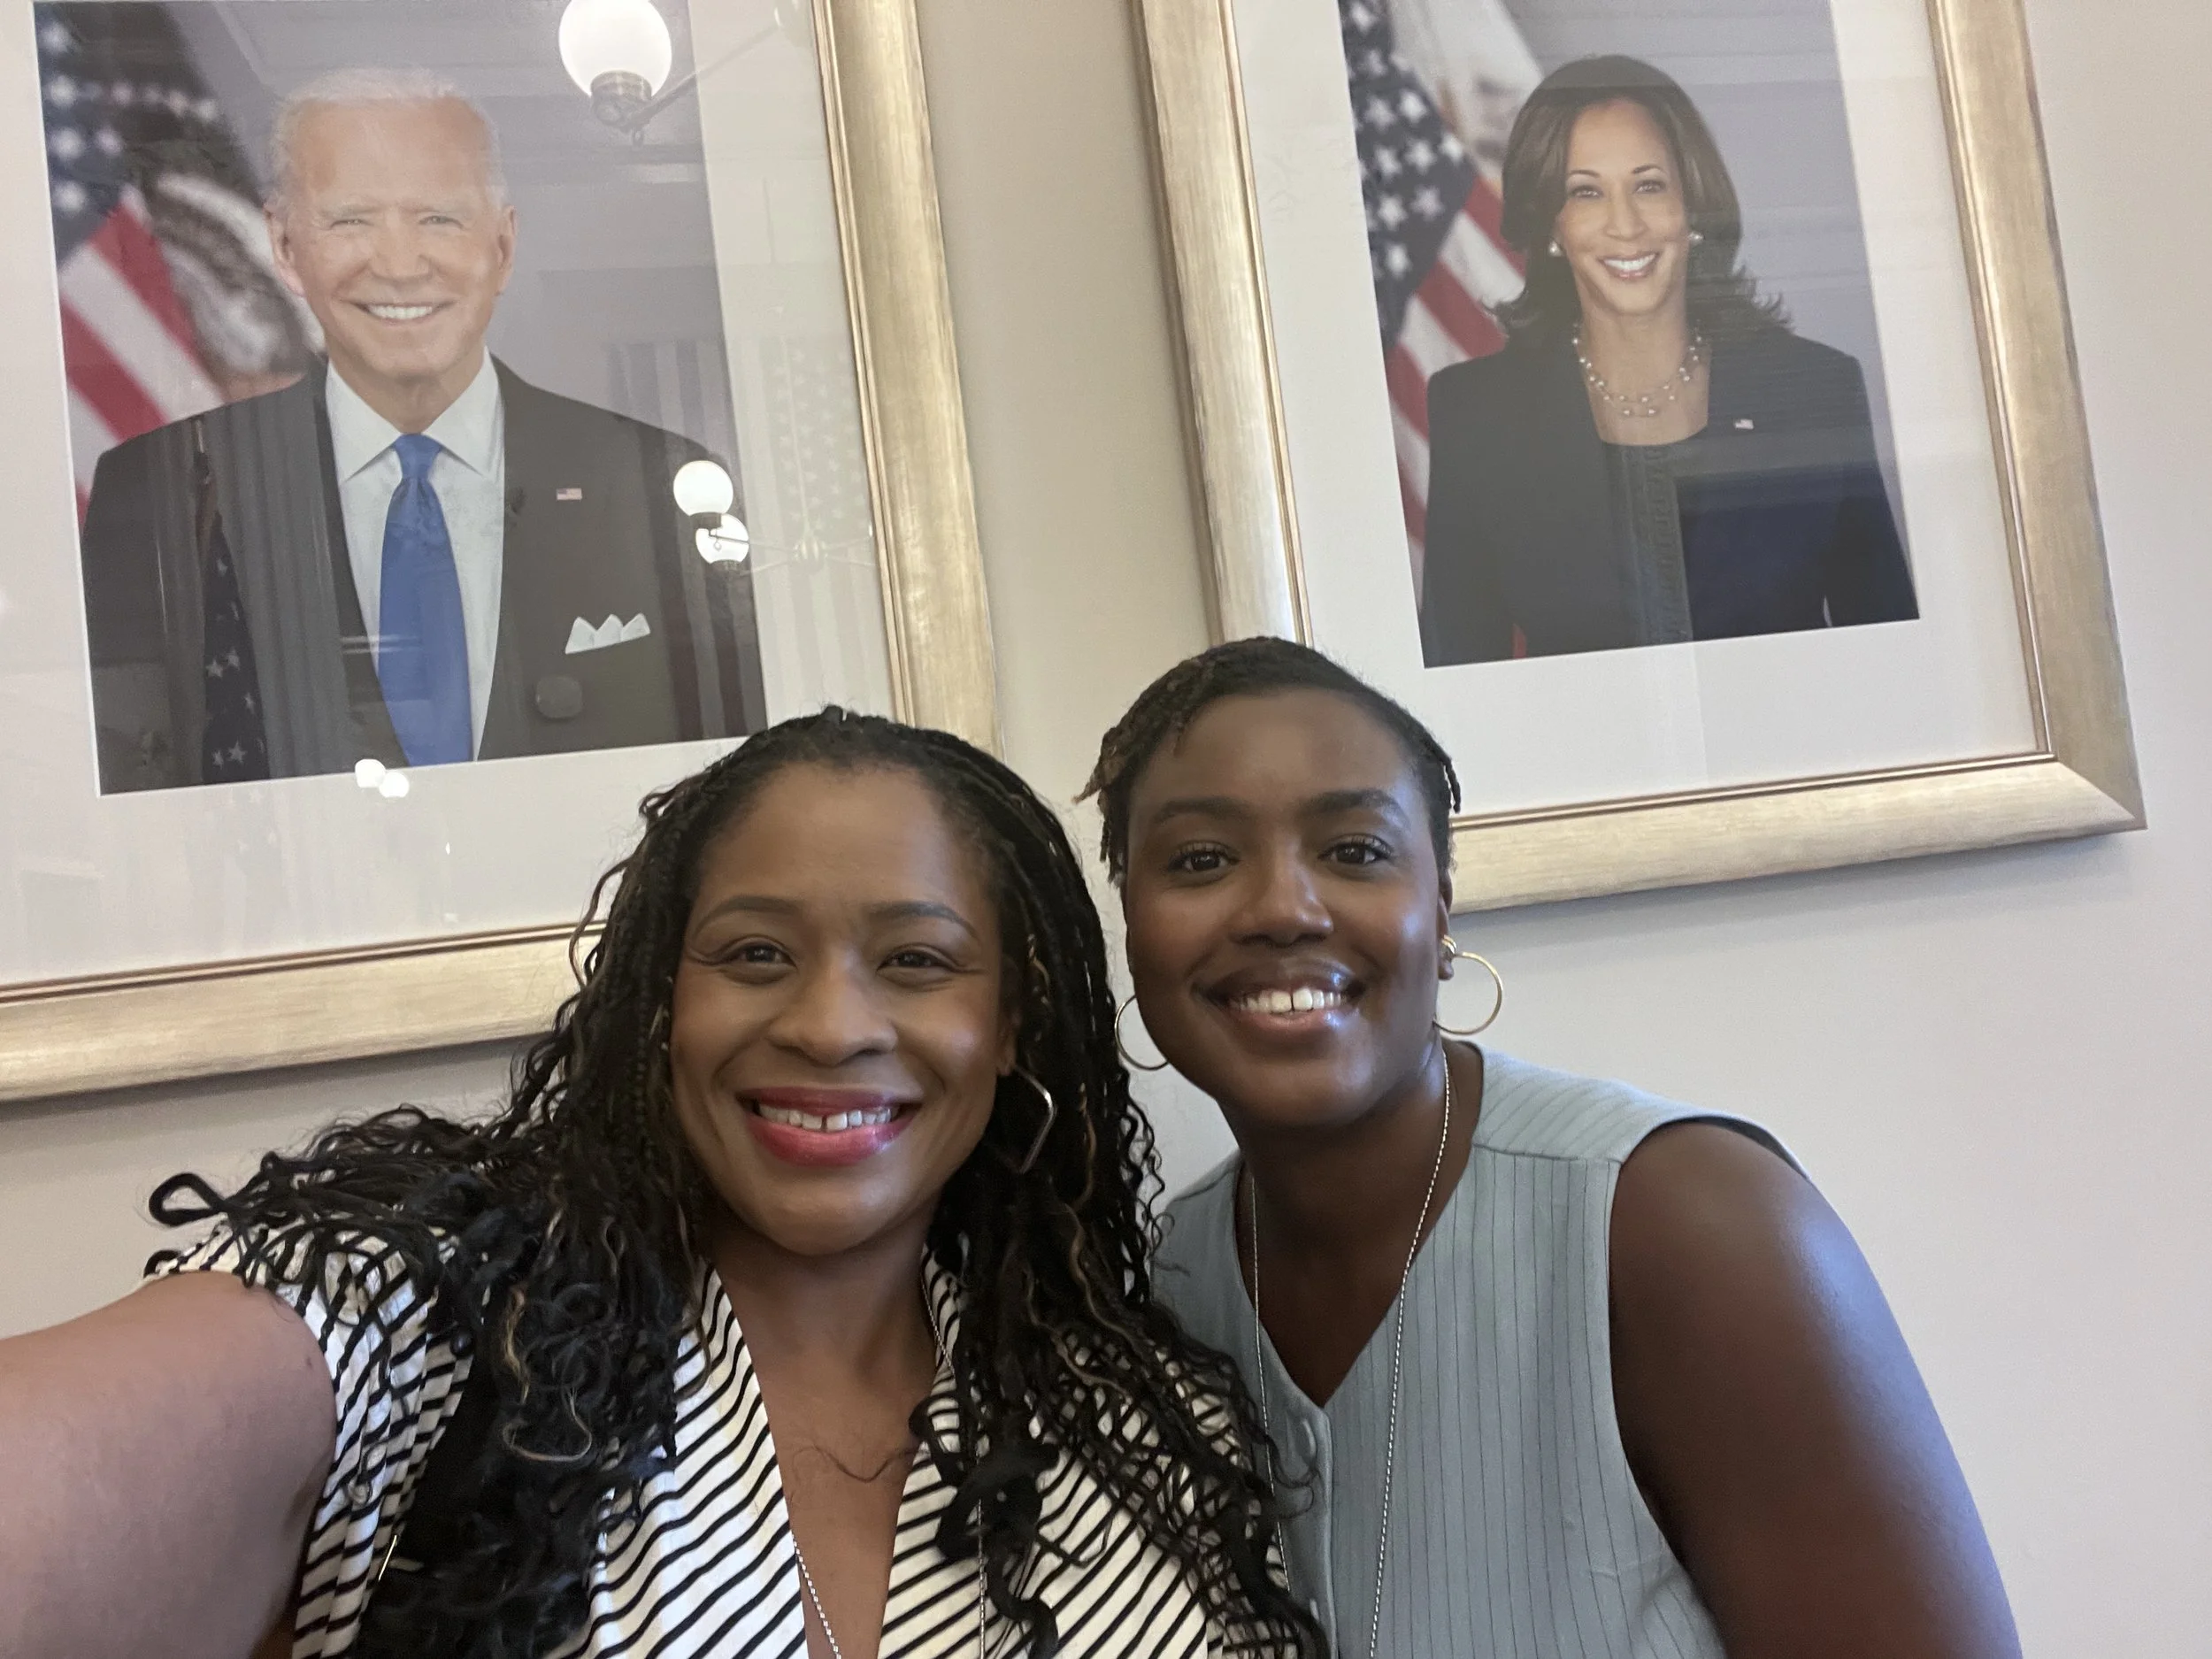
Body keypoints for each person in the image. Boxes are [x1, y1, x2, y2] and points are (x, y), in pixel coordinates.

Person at [0, 709, 1325, 1659]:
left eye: (918, 961)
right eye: (754, 950)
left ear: (1014, 1021)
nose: (826, 1023)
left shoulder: (1134, 1416)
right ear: (661, 1001)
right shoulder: (430, 1319)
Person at [1082, 637, 2023, 1659]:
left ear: (1438, 913)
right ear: (1133, 924)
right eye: (1201, 860)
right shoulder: (1170, 1282)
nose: (1281, 908)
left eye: (1353, 851)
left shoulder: (1681, 1223)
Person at [79, 67, 764, 793]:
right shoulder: (157, 494)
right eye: (351, 220)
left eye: (439, 217)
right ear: (284, 246)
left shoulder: (661, 481)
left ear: (501, 246)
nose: (400, 265)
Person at [1419, 56, 1920, 666]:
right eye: (1586, 193)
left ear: (1694, 207)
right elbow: (1461, 685)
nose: (1625, 225)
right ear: (1553, 226)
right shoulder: (1477, 415)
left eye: (1649, 185)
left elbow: (1890, 662)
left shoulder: (1815, 389)